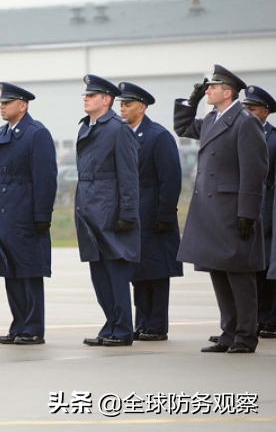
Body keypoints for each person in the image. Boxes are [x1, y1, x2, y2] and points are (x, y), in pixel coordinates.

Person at [175, 66, 268, 353]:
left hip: (232, 209)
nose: (207, 91)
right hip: (211, 210)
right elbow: (183, 128)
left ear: (227, 92)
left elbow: (255, 171)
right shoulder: (214, 118)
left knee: (239, 275)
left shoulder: (244, 121)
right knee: (218, 272)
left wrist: (248, 212)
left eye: (212, 87)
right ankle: (228, 333)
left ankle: (245, 336)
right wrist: (189, 104)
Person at [75, 75, 140, 348]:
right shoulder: (85, 128)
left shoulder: (117, 129)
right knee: (98, 274)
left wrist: (127, 213)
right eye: (86, 95)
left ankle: (123, 329)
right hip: (89, 208)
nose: (86, 98)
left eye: (92, 95)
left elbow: (128, 175)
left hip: (109, 210)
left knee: (114, 273)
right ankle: (110, 324)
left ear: (106, 100)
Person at [0, 82, 57, 346]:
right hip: (5, 217)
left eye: (8, 102)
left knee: (29, 273)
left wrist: (42, 214)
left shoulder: (36, 133)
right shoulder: (1, 133)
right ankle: (18, 325)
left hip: (26, 216)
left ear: (23, 105)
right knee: (11, 273)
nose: (3, 106)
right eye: (1, 103)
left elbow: (46, 177)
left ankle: (33, 328)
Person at [117, 82, 182, 341]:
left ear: (142, 108)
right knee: (138, 272)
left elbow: (170, 178)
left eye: (128, 104)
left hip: (154, 214)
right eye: (121, 104)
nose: (122, 108)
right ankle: (142, 322)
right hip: (134, 216)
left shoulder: (157, 135)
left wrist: (165, 214)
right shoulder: (122, 134)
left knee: (156, 272)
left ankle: (156, 325)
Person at [244, 86, 276, 338]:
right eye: (245, 108)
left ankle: (268, 319)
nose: (248, 113)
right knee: (248, 270)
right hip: (243, 207)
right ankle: (249, 320)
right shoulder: (239, 134)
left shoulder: (273, 138)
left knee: (265, 270)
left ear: (265, 112)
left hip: (266, 207)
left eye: (252, 109)